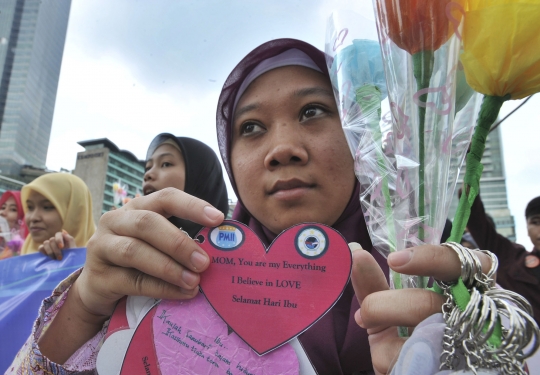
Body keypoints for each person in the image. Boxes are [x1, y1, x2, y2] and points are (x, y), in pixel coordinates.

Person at [8, 39, 494, 375]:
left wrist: (482, 340)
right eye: (252, 128)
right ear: (231, 162)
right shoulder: (174, 279)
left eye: (313, 111)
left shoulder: (443, 278)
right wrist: (86, 307)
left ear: (358, 135)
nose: (282, 148)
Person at [467, 194, 540, 324]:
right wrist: (471, 186)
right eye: (535, 222)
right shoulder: (512, 259)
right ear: (527, 228)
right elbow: (477, 222)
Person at [20, 173, 96, 260]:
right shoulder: (20, 253)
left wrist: (73, 264)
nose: (33, 218)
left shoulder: (102, 263)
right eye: (30, 207)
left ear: (75, 213)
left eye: (47, 207)